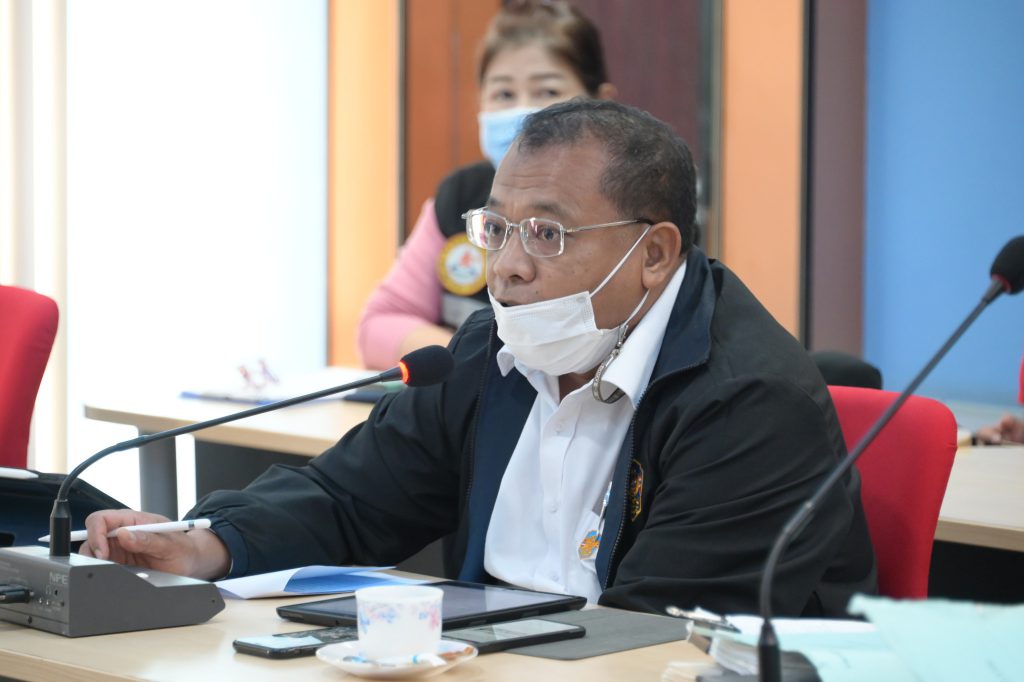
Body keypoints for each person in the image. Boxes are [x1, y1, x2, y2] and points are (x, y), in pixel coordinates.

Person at [83, 100, 876, 618]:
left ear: (655, 254)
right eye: (496, 229)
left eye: (547, 234)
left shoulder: (750, 403)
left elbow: (656, 638)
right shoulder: (488, 352)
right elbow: (351, 498)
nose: (507, 269)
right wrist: (208, 542)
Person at [357, 0, 616, 369]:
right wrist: (478, 364)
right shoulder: (458, 199)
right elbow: (377, 328)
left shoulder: (619, 207)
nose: (523, 113)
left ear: (601, 105)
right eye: (504, 94)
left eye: (547, 92)